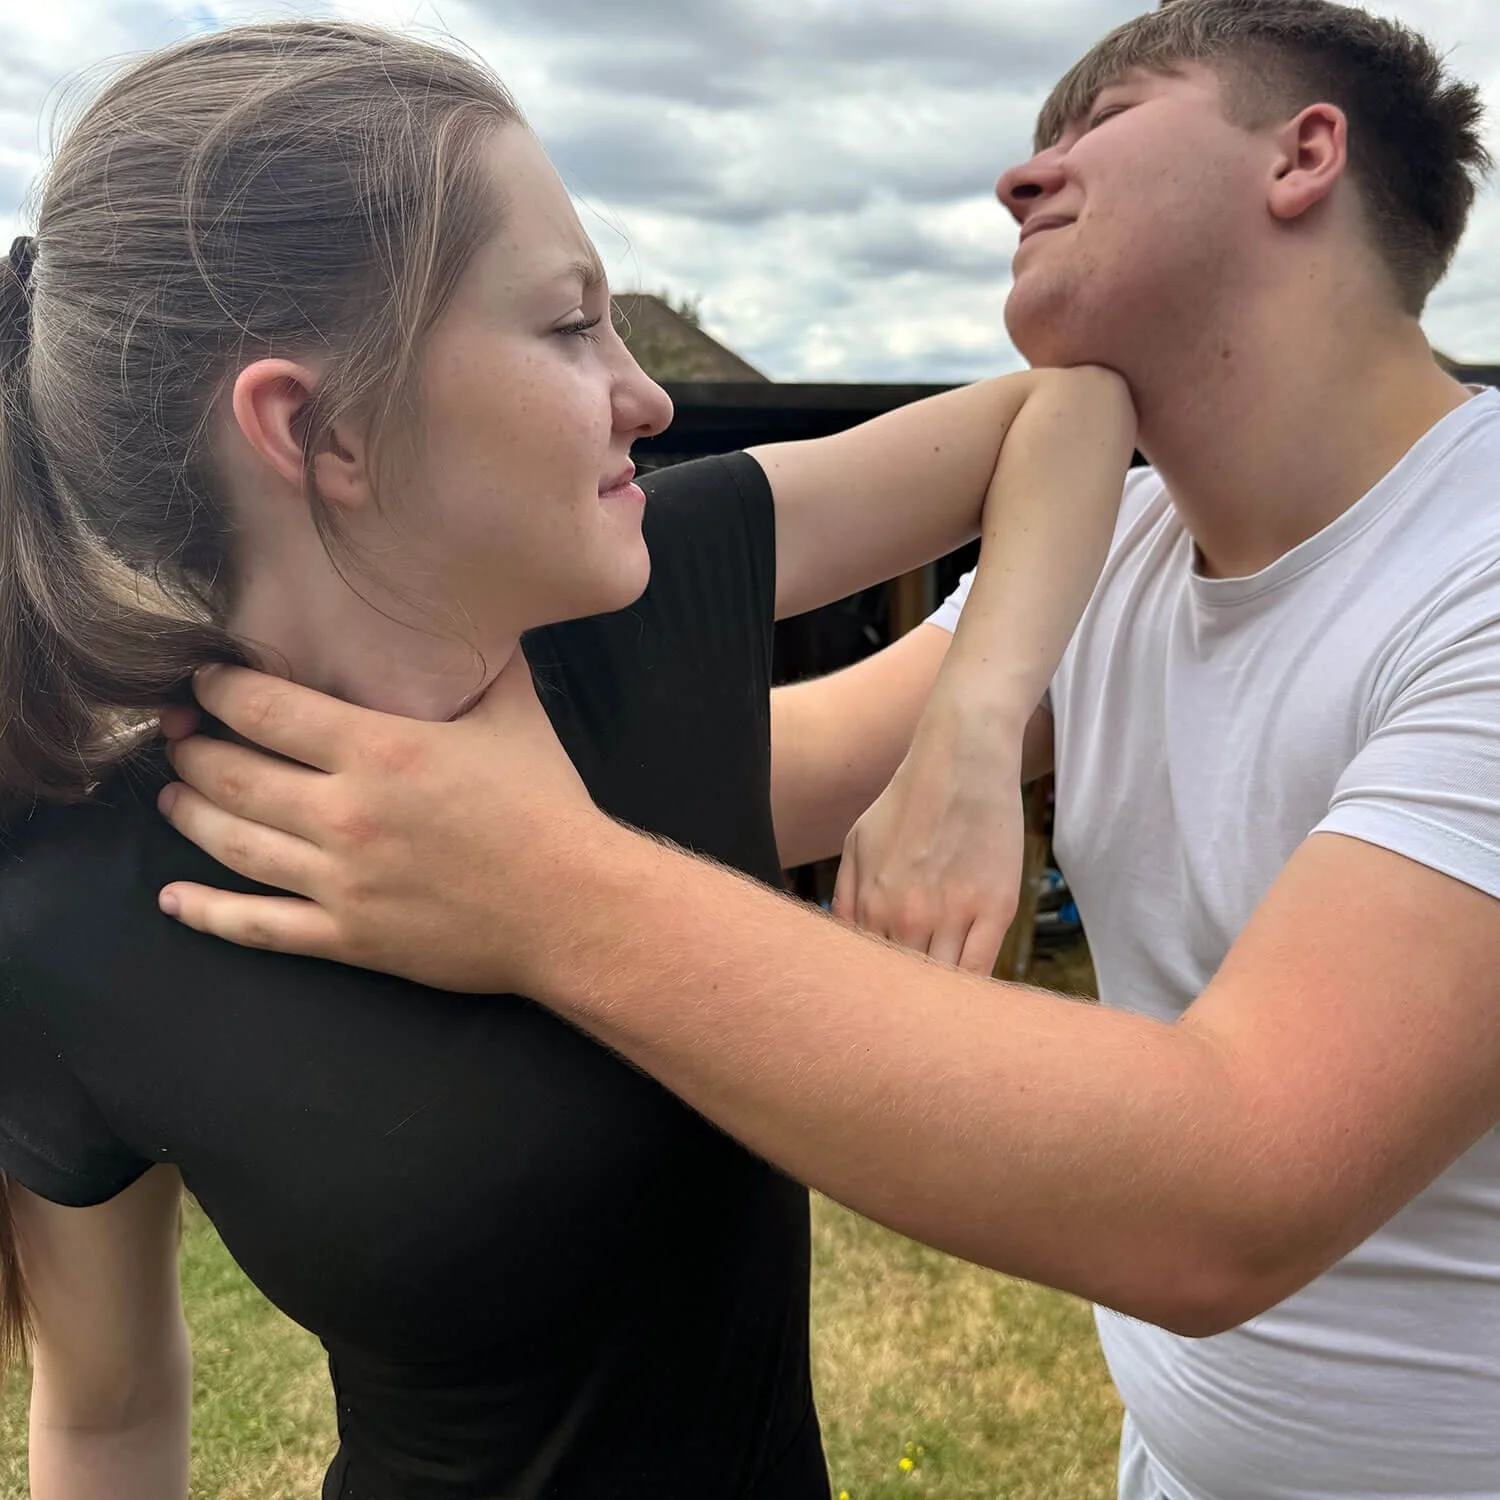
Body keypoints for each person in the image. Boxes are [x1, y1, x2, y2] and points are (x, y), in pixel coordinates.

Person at [154, 3, 1500, 1498]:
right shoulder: (1110, 560)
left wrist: (546, 891)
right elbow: (722, 772)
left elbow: (1234, 1190)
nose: (1019, 179)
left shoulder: (1476, 566)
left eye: (1098, 122)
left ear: (1304, 153)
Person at [0, 19, 1139, 1500]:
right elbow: (105, 1407)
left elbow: (1069, 408)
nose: (645, 393)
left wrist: (972, 738)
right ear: (316, 427)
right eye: (566, 324)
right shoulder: (72, 910)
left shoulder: (633, 609)